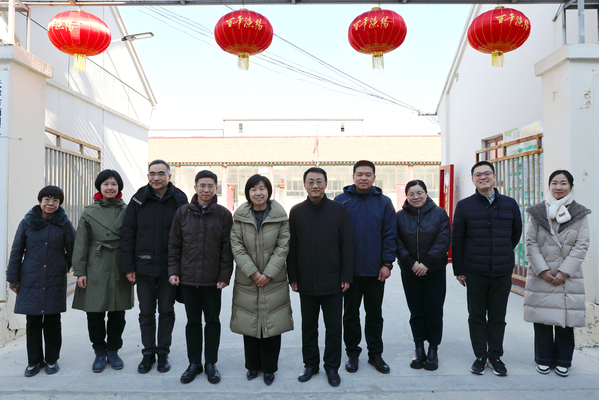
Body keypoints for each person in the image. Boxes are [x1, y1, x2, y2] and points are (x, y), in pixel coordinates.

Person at [452, 160, 522, 376]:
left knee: (498, 316)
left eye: (487, 173)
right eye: (478, 175)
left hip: (502, 271)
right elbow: (458, 239)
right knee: (476, 316)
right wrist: (458, 269)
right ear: (473, 180)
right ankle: (481, 355)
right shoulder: (464, 206)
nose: (483, 177)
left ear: (494, 177)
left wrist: (502, 252)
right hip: (475, 271)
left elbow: (515, 233)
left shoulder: (510, 204)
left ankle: (496, 355)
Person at [120, 159, 188, 374]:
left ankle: (163, 353)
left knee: (166, 311)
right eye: (152, 173)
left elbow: (186, 236)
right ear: (148, 176)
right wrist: (129, 266)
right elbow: (127, 234)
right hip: (144, 266)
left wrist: (181, 268)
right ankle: (148, 352)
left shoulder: (179, 199)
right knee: (146, 312)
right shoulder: (138, 199)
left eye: (161, 173)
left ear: (169, 176)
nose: (156, 178)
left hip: (170, 268)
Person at [287, 167, 353, 387]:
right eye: (310, 182)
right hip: (306, 280)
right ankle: (310, 365)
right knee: (309, 327)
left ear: (326, 184)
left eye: (319, 181)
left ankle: (332, 367)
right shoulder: (296, 211)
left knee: (334, 327)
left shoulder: (338, 210)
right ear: (305, 185)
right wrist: (293, 276)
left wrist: (346, 274)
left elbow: (347, 244)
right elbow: (292, 246)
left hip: (333, 280)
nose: (315, 185)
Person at [168, 170, 233, 385]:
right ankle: (194, 363)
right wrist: (174, 271)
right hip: (188, 279)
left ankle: (210, 363)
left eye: (210, 186)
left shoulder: (223, 215)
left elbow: (227, 249)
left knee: (212, 322)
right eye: (202, 186)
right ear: (195, 188)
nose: (206, 190)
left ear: (216, 189)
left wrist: (225, 275)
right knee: (193, 322)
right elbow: (174, 245)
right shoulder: (182, 213)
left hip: (213, 281)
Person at [523, 170, 591, 377]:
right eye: (554, 183)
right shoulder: (537, 212)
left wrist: (564, 272)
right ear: (549, 185)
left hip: (568, 276)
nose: (558, 187)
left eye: (563, 183)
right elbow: (530, 242)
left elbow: (582, 245)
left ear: (571, 186)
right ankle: (543, 359)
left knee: (566, 320)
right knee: (542, 318)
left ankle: (563, 360)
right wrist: (543, 270)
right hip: (541, 274)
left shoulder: (579, 214)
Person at [334, 160, 396, 374]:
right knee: (350, 315)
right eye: (359, 174)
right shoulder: (341, 201)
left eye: (368, 174)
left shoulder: (384, 202)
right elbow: (334, 236)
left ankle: (375, 354)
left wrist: (387, 263)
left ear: (374, 178)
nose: (363, 178)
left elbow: (390, 234)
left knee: (374, 315)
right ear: (353, 177)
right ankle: (352, 353)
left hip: (375, 271)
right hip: (349, 272)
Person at [230, 174, 293, 386]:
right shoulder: (239, 218)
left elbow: (283, 246)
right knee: (250, 323)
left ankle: (269, 368)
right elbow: (236, 247)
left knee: (272, 324)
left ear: (268, 191)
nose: (258, 193)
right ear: (248, 193)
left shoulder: (280, 217)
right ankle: (252, 366)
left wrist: (268, 273)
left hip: (273, 280)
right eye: (253, 189)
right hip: (247, 280)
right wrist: (254, 273)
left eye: (262, 188)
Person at [6, 186, 75, 377]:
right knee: (33, 321)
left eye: (55, 200)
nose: (50, 203)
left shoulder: (65, 225)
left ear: (60, 203)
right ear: (40, 201)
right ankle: (34, 361)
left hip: (54, 279)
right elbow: (16, 251)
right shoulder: (27, 223)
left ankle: (52, 360)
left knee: (52, 321)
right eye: (47, 199)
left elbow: (73, 250)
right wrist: (13, 279)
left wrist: (62, 266)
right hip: (31, 278)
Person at [72, 170, 134, 373]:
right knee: (94, 312)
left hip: (119, 264)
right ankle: (99, 351)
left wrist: (131, 267)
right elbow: (81, 243)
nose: (110, 187)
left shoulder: (128, 210)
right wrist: (80, 271)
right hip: (95, 265)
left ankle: (113, 350)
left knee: (118, 311)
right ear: (99, 187)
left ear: (119, 187)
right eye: (106, 184)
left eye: (114, 184)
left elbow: (133, 240)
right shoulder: (89, 212)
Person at [396, 180, 451, 371]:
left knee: (434, 311)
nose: (416, 197)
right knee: (416, 311)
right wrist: (412, 263)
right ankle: (419, 348)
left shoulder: (439, 214)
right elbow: (396, 242)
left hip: (434, 272)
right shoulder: (399, 216)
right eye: (411, 194)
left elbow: (443, 240)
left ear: (426, 194)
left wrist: (426, 263)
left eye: (419, 192)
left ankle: (433, 349)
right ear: (407, 196)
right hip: (410, 272)